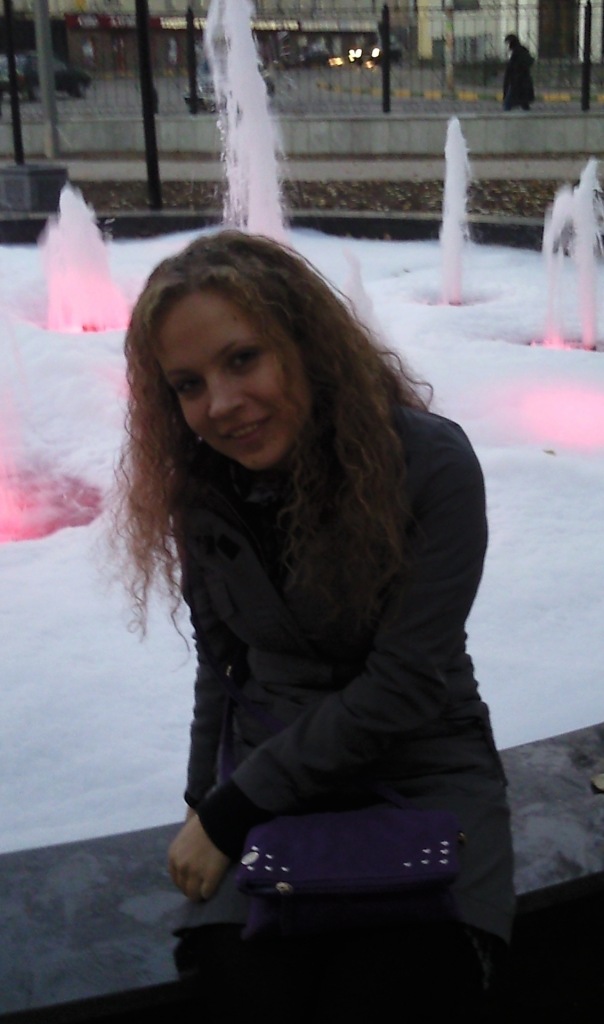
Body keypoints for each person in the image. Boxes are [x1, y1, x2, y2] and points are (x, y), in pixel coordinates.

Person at [112, 230, 516, 1020]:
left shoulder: (430, 465)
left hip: (418, 770)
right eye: (189, 384)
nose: (220, 405)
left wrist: (230, 809)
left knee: (392, 991)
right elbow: (223, 667)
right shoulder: (205, 488)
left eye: (243, 359)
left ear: (308, 344)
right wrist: (202, 802)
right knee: (245, 990)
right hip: (270, 779)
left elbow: (404, 685)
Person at [503, 33, 535, 111]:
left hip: (517, 80)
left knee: (509, 101)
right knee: (523, 101)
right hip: (519, 80)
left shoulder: (518, 52)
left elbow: (516, 65)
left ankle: (506, 112)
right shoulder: (519, 50)